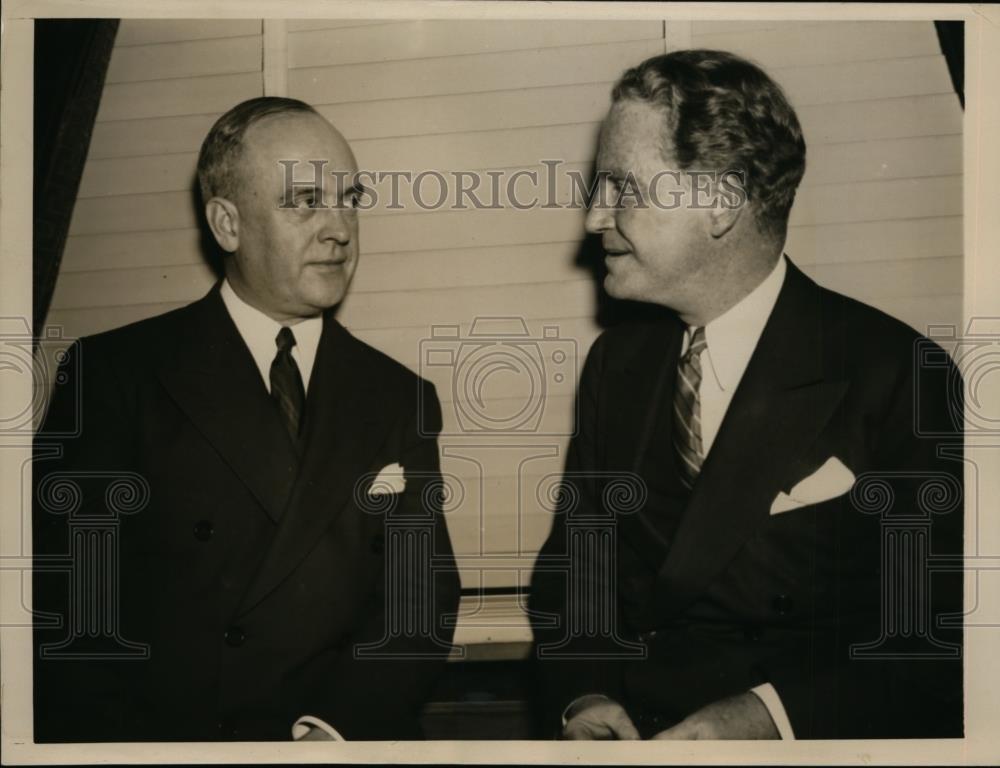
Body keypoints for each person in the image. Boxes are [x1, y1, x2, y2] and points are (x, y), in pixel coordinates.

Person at [529, 50, 963, 740]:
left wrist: (766, 717)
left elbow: (940, 641)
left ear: (722, 204)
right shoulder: (618, 365)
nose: (593, 217)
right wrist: (583, 693)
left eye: (623, 188)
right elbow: (574, 579)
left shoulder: (899, 373)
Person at [33, 97, 460, 742]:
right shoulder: (113, 375)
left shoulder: (400, 395)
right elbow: (66, 612)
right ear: (227, 224)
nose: (339, 228)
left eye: (351, 199)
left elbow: (418, 602)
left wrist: (333, 732)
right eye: (305, 201)